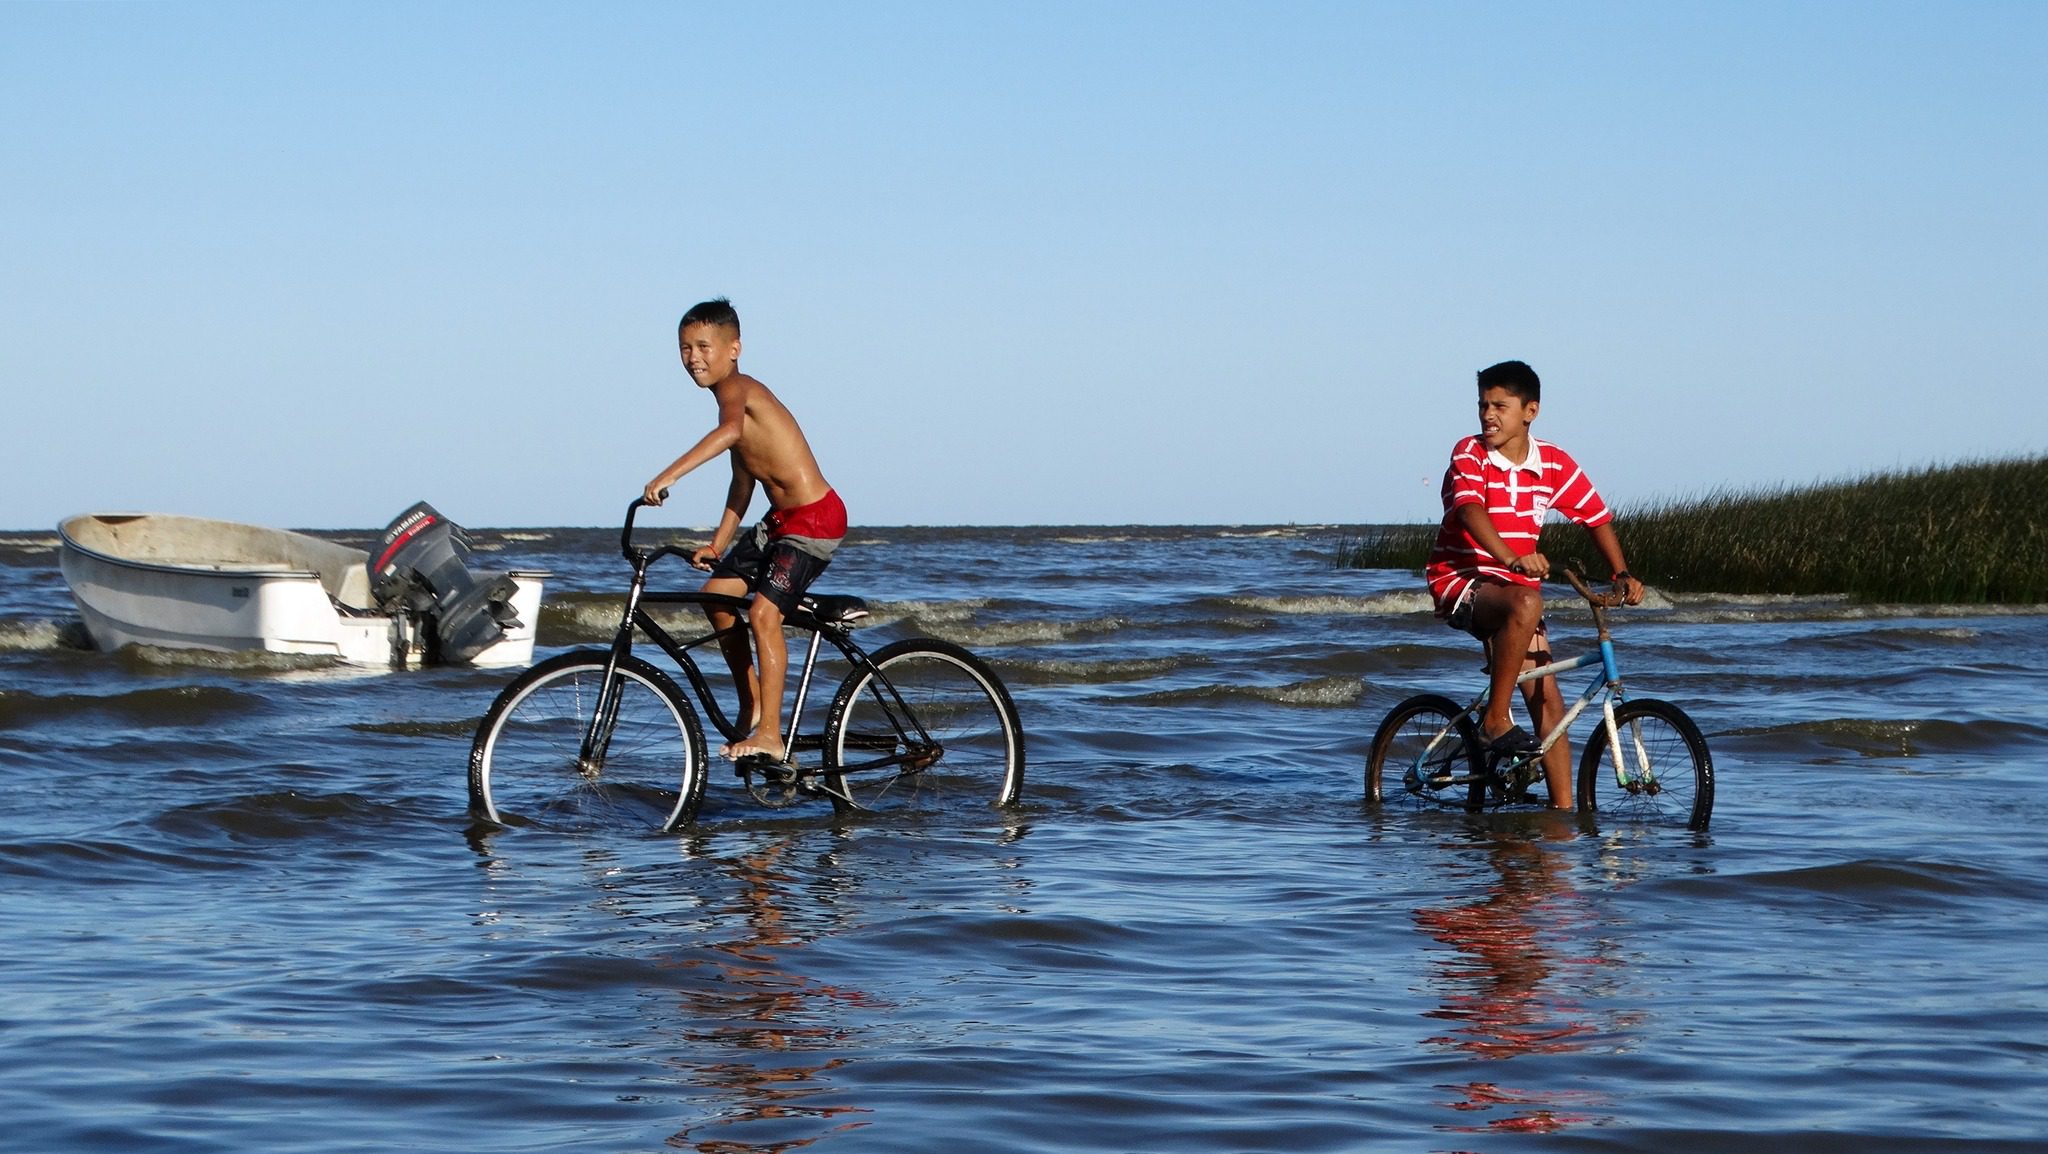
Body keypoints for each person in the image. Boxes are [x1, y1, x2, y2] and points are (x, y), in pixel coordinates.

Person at [1422, 360, 1644, 809]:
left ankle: (1564, 815)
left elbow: (1596, 518)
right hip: (1463, 582)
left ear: (1530, 411)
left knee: (1549, 704)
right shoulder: (1470, 453)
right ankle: (1495, 720)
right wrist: (1509, 557)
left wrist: (1621, 573)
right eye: (1483, 405)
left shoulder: (1553, 464)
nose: (1488, 415)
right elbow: (1469, 512)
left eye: (1500, 406)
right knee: (1527, 600)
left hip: (1517, 594)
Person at [642, 298, 847, 763]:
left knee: (762, 616)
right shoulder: (728, 405)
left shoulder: (740, 391)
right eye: (684, 348)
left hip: (814, 520)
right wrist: (717, 544)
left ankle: (771, 734)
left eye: (704, 346)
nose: (693, 357)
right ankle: (752, 700)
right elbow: (742, 483)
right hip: (779, 524)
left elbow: (730, 432)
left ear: (734, 348)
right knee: (714, 596)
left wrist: (668, 476)